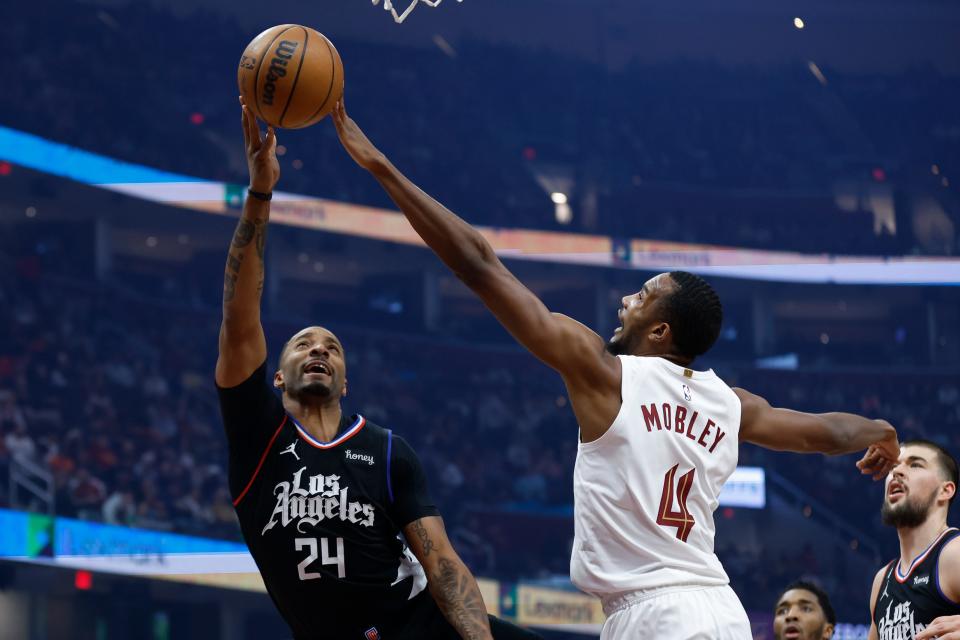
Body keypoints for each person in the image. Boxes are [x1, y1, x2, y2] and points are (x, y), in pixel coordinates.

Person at [330, 99, 902, 640]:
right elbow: (827, 433)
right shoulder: (731, 403)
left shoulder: (608, 374)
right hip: (720, 609)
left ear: (661, 331)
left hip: (655, 614)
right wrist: (883, 433)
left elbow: (480, 266)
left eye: (643, 295)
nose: (626, 299)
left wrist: (381, 167)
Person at [215, 98, 541, 640]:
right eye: (302, 344)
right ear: (276, 374)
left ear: (346, 379)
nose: (319, 350)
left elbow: (439, 562)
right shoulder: (258, 435)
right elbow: (240, 316)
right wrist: (260, 192)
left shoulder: (389, 451)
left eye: (332, 347)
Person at [868, 440, 960, 640]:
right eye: (893, 466)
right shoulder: (882, 580)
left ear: (946, 490)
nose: (897, 472)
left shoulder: (954, 553)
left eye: (915, 464)